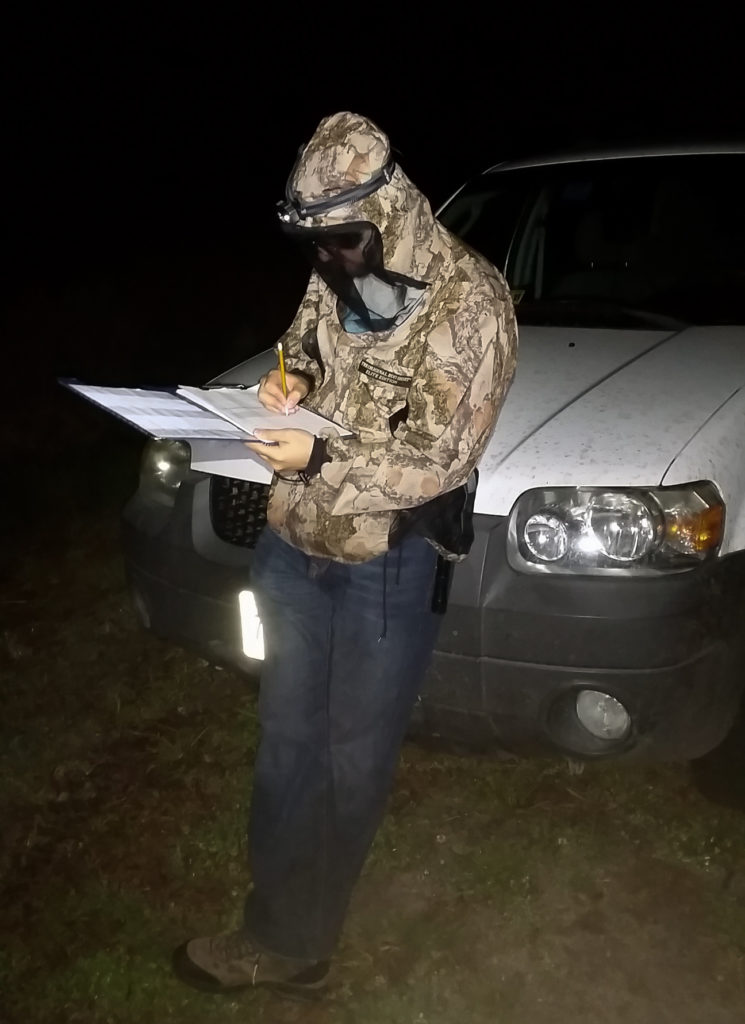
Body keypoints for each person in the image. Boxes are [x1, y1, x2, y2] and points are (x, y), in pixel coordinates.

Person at [173, 111, 518, 1000]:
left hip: (384, 570)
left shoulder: (470, 303)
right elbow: (305, 349)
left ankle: (291, 939)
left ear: (390, 211)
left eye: (342, 239)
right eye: (315, 241)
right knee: (288, 743)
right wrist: (286, 383)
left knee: (349, 758)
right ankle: (286, 920)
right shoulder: (335, 271)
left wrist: (322, 454)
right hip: (294, 549)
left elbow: (442, 458)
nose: (328, 259)